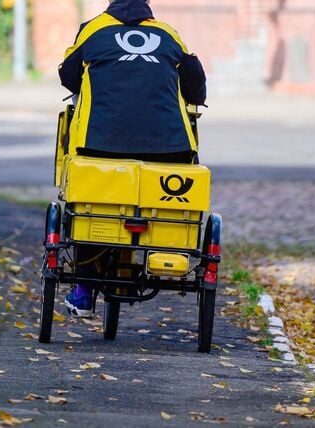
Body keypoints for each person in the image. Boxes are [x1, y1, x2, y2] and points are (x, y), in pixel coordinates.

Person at [58, 0, 207, 317]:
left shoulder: (93, 30)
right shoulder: (169, 35)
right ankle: (164, 261)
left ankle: (84, 291)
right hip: (170, 147)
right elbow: (195, 82)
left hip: (100, 144)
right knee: (162, 209)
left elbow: (68, 76)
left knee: (89, 206)